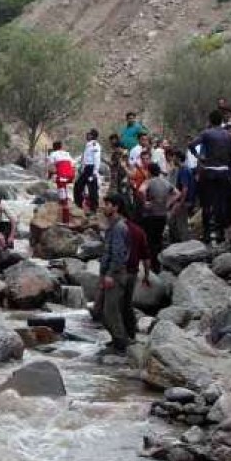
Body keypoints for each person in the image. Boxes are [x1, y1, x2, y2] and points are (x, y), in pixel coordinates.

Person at [190, 110, 231, 244]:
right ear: (221, 121)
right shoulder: (228, 136)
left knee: (206, 204)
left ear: (210, 120)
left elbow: (191, 145)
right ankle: (220, 234)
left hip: (209, 170)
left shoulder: (206, 133)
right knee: (221, 204)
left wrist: (199, 157)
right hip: (223, 171)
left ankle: (206, 235)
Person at [98, 194, 135, 356]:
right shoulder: (113, 226)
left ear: (116, 207)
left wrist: (110, 274)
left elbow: (118, 254)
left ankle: (121, 344)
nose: (104, 207)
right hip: (109, 273)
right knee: (102, 310)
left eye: (107, 204)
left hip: (116, 274)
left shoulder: (119, 227)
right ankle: (117, 339)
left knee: (111, 311)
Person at [139, 163, 180, 268]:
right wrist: (168, 203)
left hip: (150, 214)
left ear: (149, 171)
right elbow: (177, 193)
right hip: (162, 214)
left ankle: (152, 264)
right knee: (158, 238)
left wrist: (145, 202)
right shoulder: (165, 182)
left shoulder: (148, 181)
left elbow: (141, 191)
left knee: (150, 240)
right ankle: (159, 262)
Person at [168, 150, 196, 244]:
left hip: (184, 202)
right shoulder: (184, 169)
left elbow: (185, 188)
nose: (173, 159)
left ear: (178, 158)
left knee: (182, 225)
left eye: (174, 157)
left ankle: (185, 245)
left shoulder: (183, 170)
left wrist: (180, 203)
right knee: (176, 222)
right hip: (185, 201)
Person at [47, 141, 76, 225]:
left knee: (63, 195)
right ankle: (64, 202)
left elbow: (50, 168)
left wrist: (49, 177)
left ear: (53, 148)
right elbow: (73, 165)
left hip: (62, 175)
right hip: (71, 174)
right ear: (61, 147)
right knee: (64, 190)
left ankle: (65, 220)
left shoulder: (53, 154)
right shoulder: (67, 153)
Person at [74, 130, 102, 212]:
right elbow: (85, 158)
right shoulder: (88, 145)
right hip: (86, 168)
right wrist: (81, 167)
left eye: (89, 134)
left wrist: (95, 172)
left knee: (92, 189)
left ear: (93, 136)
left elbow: (96, 158)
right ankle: (79, 204)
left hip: (91, 168)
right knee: (78, 186)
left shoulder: (95, 145)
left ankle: (94, 208)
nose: (87, 135)